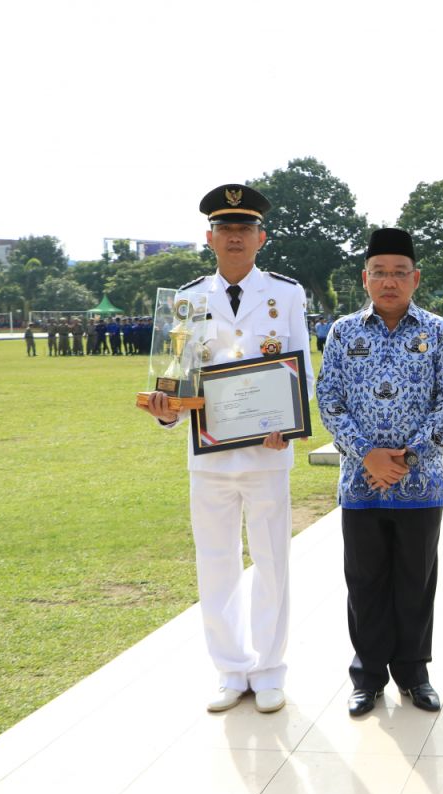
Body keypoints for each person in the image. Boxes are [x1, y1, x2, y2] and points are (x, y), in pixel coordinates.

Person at [139, 184, 314, 714]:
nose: (235, 237)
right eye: (225, 229)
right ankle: (230, 669)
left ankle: (269, 669)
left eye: (244, 229)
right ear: (210, 237)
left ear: (261, 237)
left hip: (266, 450)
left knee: (271, 561)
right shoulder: (188, 299)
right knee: (214, 562)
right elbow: (175, 376)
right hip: (209, 454)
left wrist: (290, 419)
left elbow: (301, 368)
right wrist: (167, 412)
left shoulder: (286, 294)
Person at [317, 228, 443, 717]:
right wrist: (367, 456)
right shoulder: (343, 332)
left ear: (416, 278)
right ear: (365, 278)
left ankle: (415, 673)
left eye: (400, 272)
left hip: (420, 486)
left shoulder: (438, 331)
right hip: (361, 484)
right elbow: (329, 402)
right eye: (380, 272)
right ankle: (368, 676)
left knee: (415, 582)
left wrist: (407, 458)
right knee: (365, 581)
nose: (390, 281)